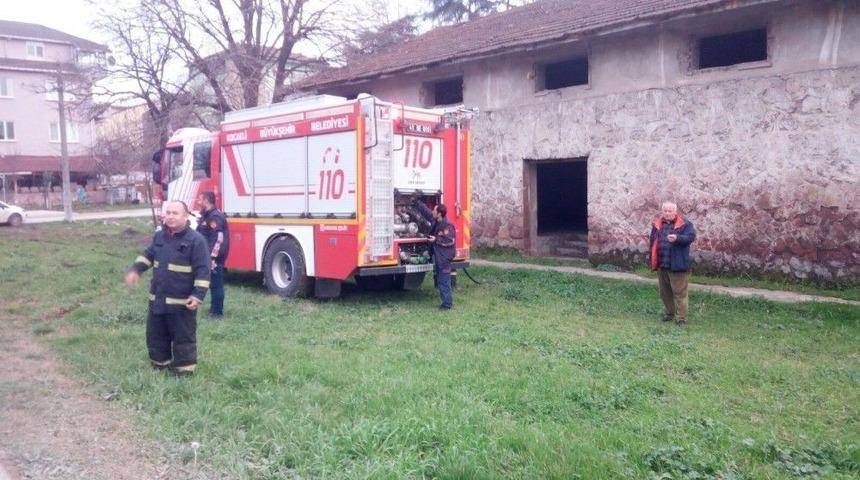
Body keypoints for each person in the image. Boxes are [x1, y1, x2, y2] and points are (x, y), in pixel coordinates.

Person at [124, 200, 210, 376]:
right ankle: (159, 366)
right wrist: (136, 269)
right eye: (168, 212)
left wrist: (197, 295)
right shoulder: (160, 236)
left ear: (186, 217)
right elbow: (148, 255)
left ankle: (183, 372)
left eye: (175, 213)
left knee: (183, 337)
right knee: (156, 336)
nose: (170, 216)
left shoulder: (196, 240)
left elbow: (203, 271)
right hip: (158, 299)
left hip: (181, 304)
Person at [649, 201, 697, 325]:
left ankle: (681, 318)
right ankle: (669, 313)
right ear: (662, 211)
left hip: (677, 265)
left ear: (675, 212)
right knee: (665, 293)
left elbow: (691, 237)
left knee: (680, 293)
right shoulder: (657, 224)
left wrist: (678, 238)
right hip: (662, 264)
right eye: (665, 211)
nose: (667, 213)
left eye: (670, 211)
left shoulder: (685, 224)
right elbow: (652, 241)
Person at [414, 200, 457, 309]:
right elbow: (427, 212)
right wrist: (417, 203)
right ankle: (445, 303)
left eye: (434, 210)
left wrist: (435, 240)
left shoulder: (447, 225)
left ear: (439, 214)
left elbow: (450, 240)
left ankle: (447, 304)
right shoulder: (435, 221)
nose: (432, 211)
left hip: (444, 258)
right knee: (441, 280)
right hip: (438, 257)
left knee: (444, 281)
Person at [196, 191, 230, 318]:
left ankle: (217, 313)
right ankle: (213, 309)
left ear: (206, 200)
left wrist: (212, 257)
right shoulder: (207, 216)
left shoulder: (215, 217)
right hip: (207, 255)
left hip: (214, 258)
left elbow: (218, 239)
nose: (199, 202)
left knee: (216, 285)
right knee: (211, 284)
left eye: (200, 200)